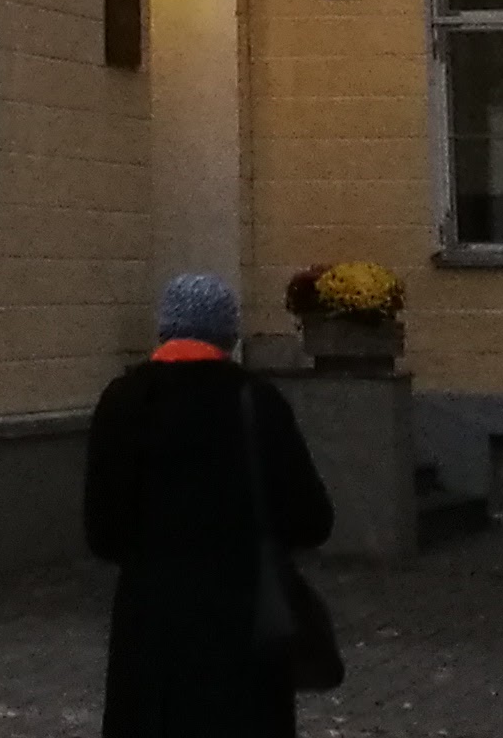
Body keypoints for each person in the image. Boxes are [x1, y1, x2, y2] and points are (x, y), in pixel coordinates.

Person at [83, 273, 336, 738]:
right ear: (228, 333)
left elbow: (102, 533)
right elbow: (311, 519)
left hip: (150, 625)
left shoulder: (123, 400)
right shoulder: (256, 400)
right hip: (243, 624)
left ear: (165, 328)